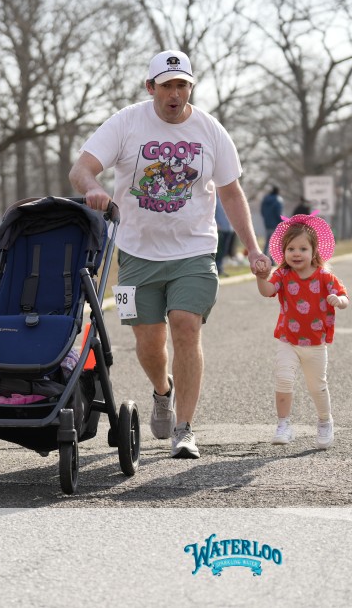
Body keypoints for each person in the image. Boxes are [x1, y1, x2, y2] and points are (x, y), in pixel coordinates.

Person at [69, 49, 271, 459]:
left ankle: (185, 427)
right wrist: (93, 186)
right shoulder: (127, 122)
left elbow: (232, 193)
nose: (175, 94)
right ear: (151, 87)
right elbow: (81, 169)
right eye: (166, 86)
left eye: (182, 85)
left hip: (195, 249)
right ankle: (162, 392)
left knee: (185, 326)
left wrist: (253, 248)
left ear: (190, 87)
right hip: (136, 250)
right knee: (148, 341)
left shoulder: (211, 131)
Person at [255, 214, 348, 449]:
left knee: (317, 387)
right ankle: (283, 424)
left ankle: (325, 422)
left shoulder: (325, 277)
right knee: (283, 379)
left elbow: (344, 297)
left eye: (303, 249)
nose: (296, 254)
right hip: (288, 339)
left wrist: (339, 300)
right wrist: (260, 278)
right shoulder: (283, 275)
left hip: (315, 343)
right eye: (291, 249)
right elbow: (267, 291)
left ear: (314, 252)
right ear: (284, 252)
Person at [214, 196, 234, 276]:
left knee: (224, 251)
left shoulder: (229, 200)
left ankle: (220, 268)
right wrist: (216, 224)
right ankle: (216, 268)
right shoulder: (215, 200)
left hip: (229, 229)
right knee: (218, 251)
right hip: (220, 229)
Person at [261, 185, 284, 253]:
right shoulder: (278, 200)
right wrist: (282, 222)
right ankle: (272, 257)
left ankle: (264, 255)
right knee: (275, 242)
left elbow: (262, 211)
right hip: (276, 224)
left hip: (267, 223)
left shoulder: (265, 200)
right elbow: (278, 213)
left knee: (267, 241)